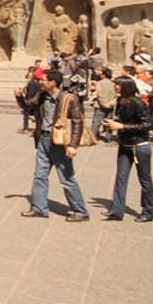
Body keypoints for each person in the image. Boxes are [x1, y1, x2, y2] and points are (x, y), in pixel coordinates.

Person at [21, 69, 91, 221]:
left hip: (60, 142)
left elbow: (78, 122)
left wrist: (73, 145)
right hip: (43, 139)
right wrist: (19, 96)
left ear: (53, 82)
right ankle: (39, 208)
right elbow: (28, 104)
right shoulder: (42, 96)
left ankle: (80, 211)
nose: (41, 82)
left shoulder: (69, 99)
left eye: (44, 80)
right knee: (40, 175)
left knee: (66, 177)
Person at [102, 76, 153, 222]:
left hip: (139, 146)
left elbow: (147, 125)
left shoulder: (138, 103)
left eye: (117, 85)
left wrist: (123, 126)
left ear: (126, 86)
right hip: (125, 145)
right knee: (121, 177)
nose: (115, 87)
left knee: (144, 179)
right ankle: (117, 210)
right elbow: (123, 120)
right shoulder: (120, 101)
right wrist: (114, 123)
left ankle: (148, 211)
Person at [90, 68, 117, 141]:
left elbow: (100, 94)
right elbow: (116, 96)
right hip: (110, 105)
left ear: (104, 75)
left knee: (96, 122)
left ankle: (92, 137)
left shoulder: (99, 83)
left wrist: (104, 103)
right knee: (109, 122)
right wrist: (111, 103)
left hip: (100, 106)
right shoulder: (113, 84)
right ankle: (108, 137)